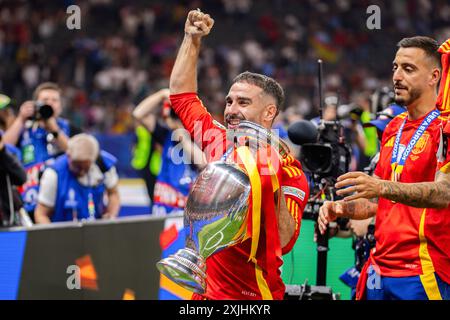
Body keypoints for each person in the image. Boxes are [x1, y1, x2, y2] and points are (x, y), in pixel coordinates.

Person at [168, 9, 310, 300]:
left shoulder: (289, 170)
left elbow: (284, 240)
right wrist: (191, 40)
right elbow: (181, 95)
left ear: (269, 112)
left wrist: (271, 177)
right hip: (204, 295)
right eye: (229, 101)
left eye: (243, 102)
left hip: (251, 297)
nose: (231, 110)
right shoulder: (220, 142)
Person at [318, 36, 450, 300]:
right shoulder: (393, 127)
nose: (397, 76)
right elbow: (380, 203)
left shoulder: (444, 127)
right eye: (395, 68)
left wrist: (379, 185)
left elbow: (445, 193)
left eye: (408, 69)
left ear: (434, 76)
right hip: (379, 267)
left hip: (422, 271)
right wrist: (343, 209)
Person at [2, 82, 82, 216]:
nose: (50, 103)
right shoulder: (24, 129)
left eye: (54, 100)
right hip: (29, 200)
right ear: (35, 105)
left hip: (61, 201)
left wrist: (54, 130)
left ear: (60, 106)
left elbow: (78, 154)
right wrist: (21, 119)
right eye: (45, 100)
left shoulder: (69, 128)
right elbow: (4, 147)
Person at [132, 88, 206, 216]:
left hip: (186, 212)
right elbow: (138, 114)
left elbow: (204, 164)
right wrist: (162, 94)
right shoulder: (166, 134)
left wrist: (184, 138)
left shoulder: (198, 137)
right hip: (163, 209)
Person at [35, 134, 120, 224]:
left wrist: (111, 215)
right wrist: (53, 236)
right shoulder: (53, 174)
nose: (82, 172)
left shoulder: (104, 165)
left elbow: (113, 193)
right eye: (78, 167)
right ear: (69, 156)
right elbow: (41, 214)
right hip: (63, 230)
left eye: (86, 168)